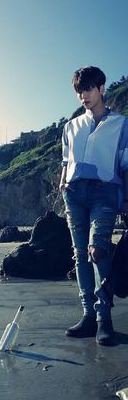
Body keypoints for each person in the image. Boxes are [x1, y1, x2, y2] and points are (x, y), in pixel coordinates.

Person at [59, 66, 128, 346]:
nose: (83, 96)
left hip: (105, 192)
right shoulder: (70, 127)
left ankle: (104, 319)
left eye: (87, 89)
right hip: (74, 193)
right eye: (79, 91)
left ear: (101, 88)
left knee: (98, 250)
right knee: (80, 256)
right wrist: (64, 185)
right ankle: (88, 315)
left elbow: (125, 166)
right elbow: (65, 163)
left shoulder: (121, 124)